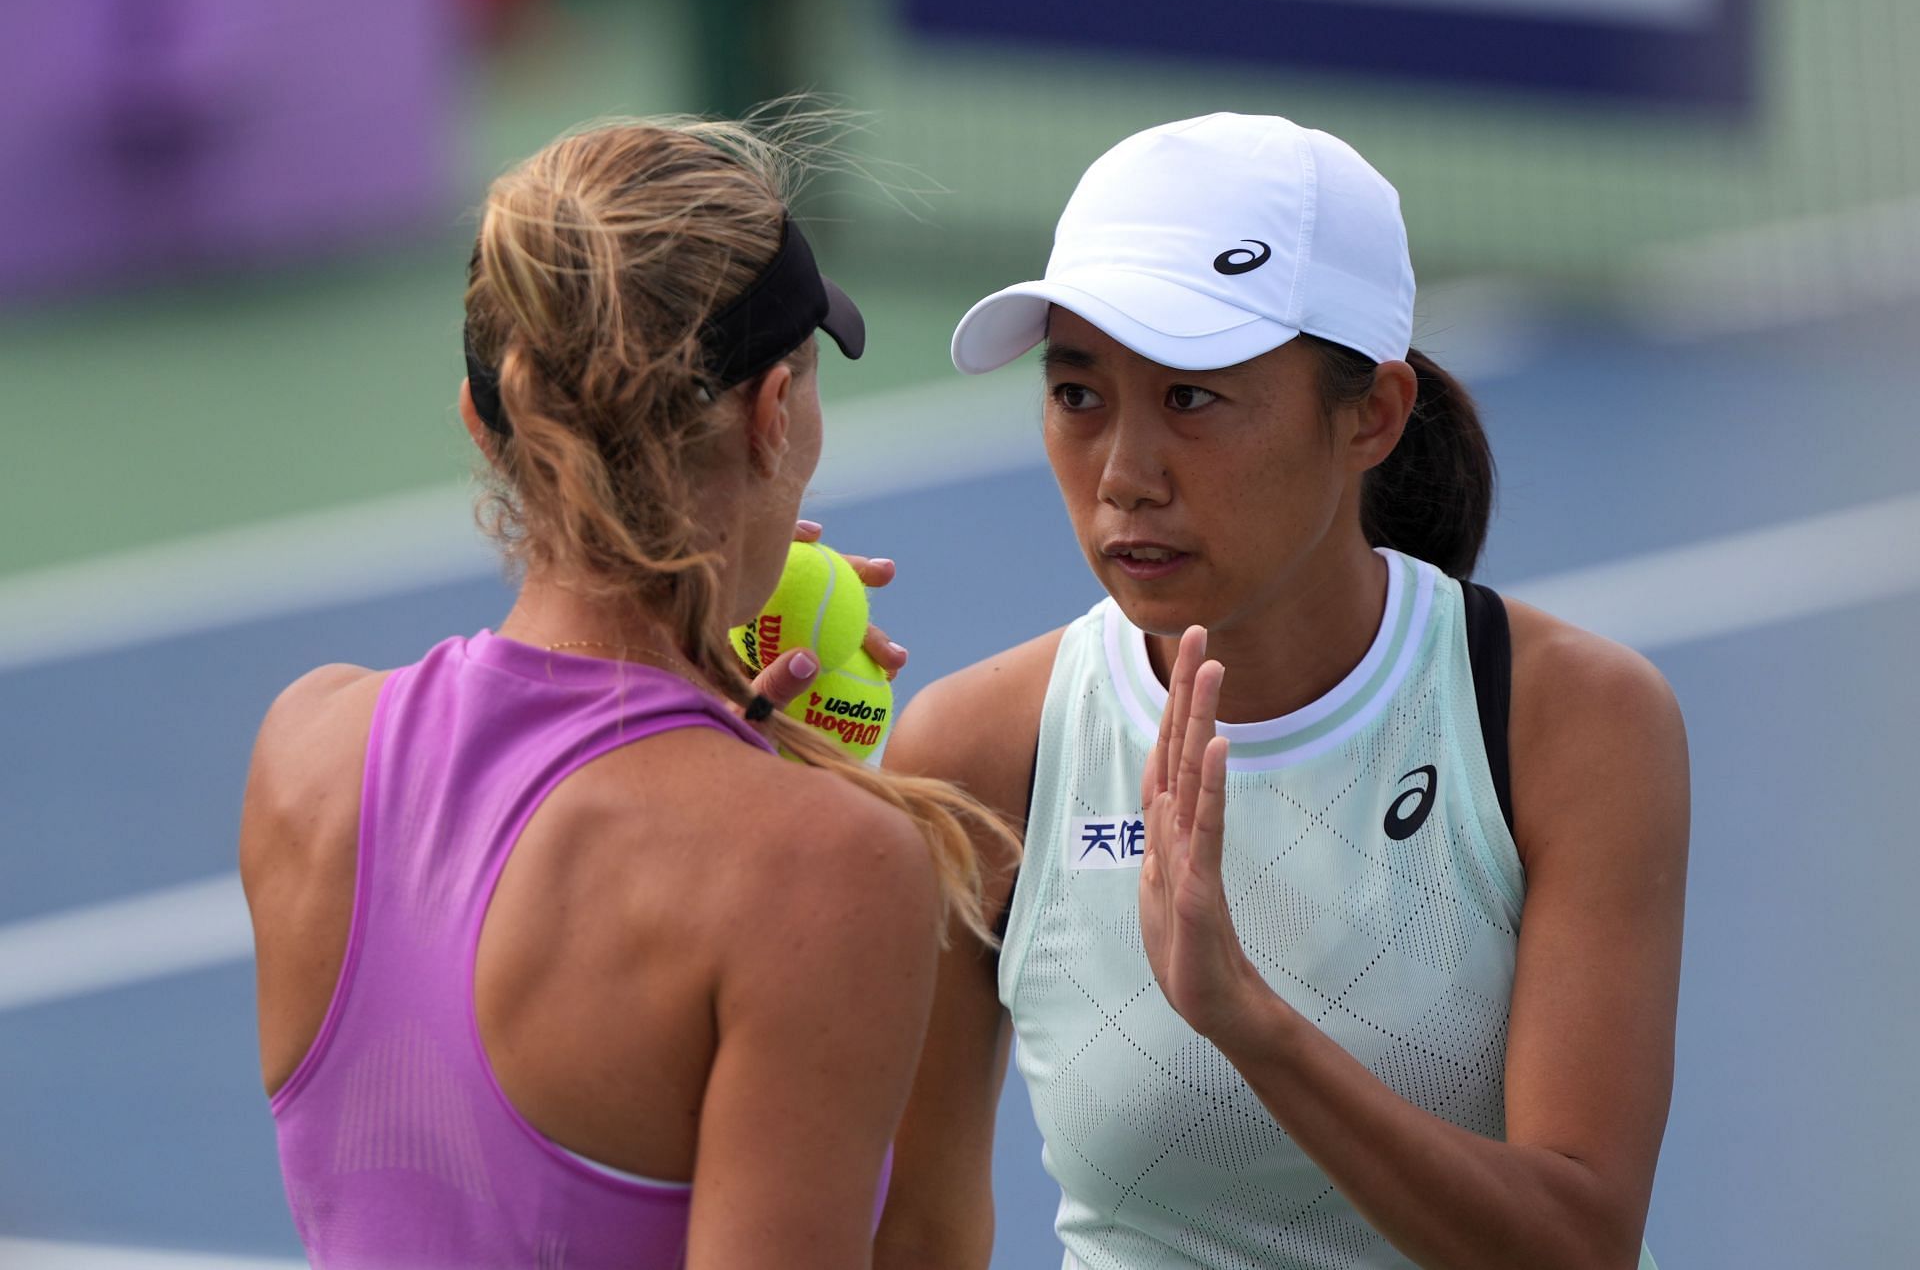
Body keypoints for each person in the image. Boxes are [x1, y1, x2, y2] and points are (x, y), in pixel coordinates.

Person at [874, 113, 1687, 1270]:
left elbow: (1578, 1243)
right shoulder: (979, 751)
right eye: (1076, 394)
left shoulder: (1570, 722)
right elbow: (913, 1235)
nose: (1123, 476)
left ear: (1371, 415)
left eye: (1192, 398)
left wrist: (1250, 1023)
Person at [239, 115, 1010, 1269]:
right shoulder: (823, 868)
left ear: (489, 430)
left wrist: (738, 756)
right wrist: (809, 808)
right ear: (771, 416)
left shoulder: (304, 748)